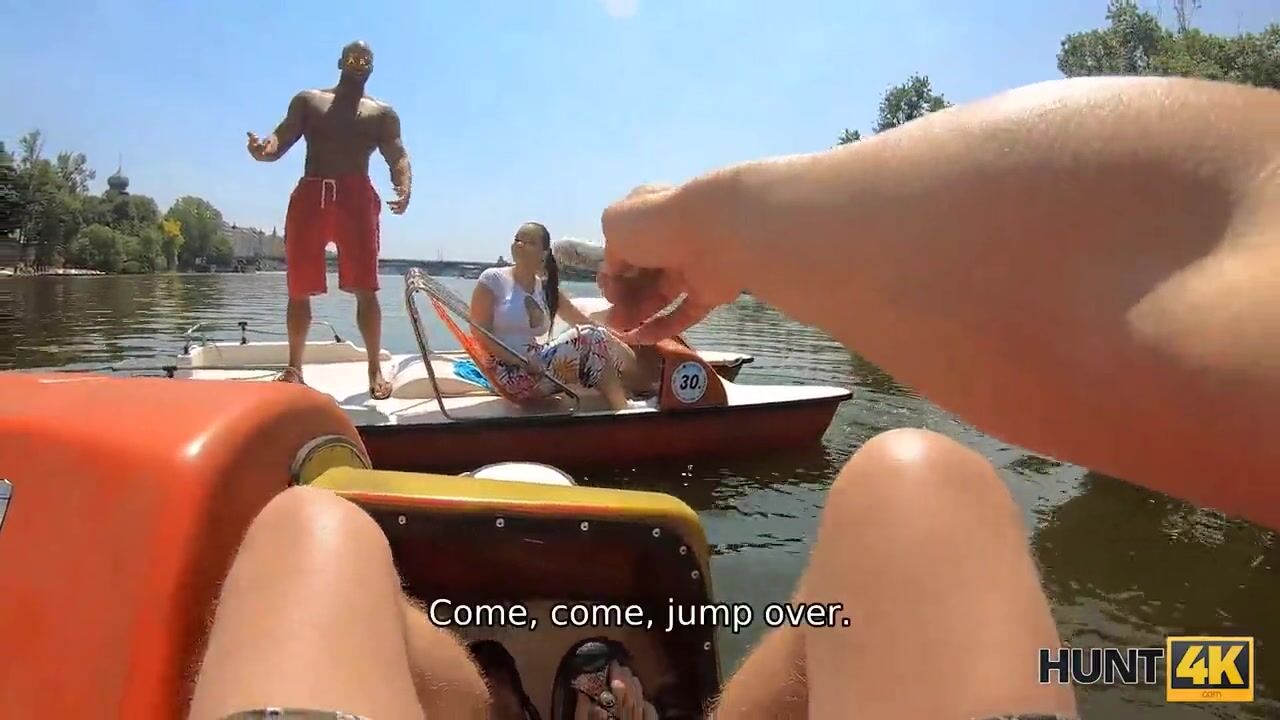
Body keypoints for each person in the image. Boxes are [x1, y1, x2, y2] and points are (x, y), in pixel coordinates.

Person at [189, 76, 1278, 719]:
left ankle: (495, 699)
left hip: (548, 376)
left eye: (527, 246)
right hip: (526, 380)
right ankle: (586, 693)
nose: (521, 254)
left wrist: (717, 239)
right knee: (922, 484)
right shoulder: (488, 288)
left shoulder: (546, 291)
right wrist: (730, 235)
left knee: (304, 534)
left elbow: (1225, 222)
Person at [246, 40, 411, 400]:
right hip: (312, 193)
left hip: (357, 197)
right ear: (340, 62)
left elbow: (397, 154)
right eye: (352, 57)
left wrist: (404, 184)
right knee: (298, 287)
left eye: (365, 59)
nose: (358, 62)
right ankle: (294, 368)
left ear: (372, 67)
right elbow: (281, 137)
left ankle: (374, 368)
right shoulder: (309, 101)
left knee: (366, 287)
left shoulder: (382, 114)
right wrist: (264, 150)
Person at [469, 222, 640, 412]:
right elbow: (479, 332)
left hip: (537, 364)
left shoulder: (545, 289)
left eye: (529, 242)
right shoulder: (493, 279)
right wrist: (518, 361)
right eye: (517, 240)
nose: (520, 245)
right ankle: (624, 404)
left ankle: (633, 392)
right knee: (590, 338)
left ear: (543, 253)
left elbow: (581, 321)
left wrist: (621, 341)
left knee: (596, 337)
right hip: (510, 372)